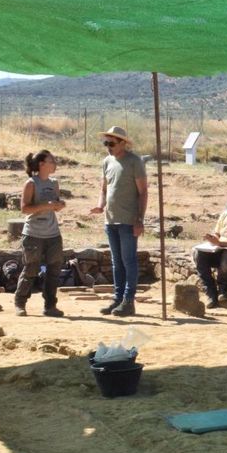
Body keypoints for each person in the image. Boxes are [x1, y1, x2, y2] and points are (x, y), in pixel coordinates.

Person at [89, 126, 147, 317]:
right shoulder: (107, 162)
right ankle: (118, 298)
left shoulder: (134, 161)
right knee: (117, 262)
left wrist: (139, 219)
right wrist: (100, 206)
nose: (108, 146)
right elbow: (104, 189)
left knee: (128, 261)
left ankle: (128, 300)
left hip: (128, 220)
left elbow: (143, 192)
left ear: (123, 143)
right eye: (106, 143)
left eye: (111, 143)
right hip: (111, 220)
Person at [14, 149, 66, 317]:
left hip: (53, 233)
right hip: (33, 234)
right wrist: (46, 205)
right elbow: (24, 209)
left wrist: (58, 205)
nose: (55, 164)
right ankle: (20, 303)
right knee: (31, 269)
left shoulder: (54, 183)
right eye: (52, 161)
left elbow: (54, 205)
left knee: (54, 271)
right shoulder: (31, 183)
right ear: (42, 164)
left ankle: (50, 306)